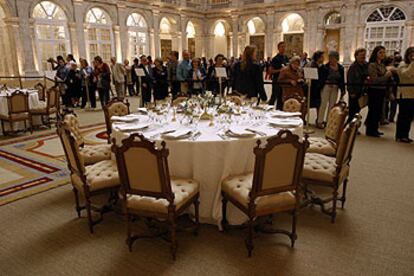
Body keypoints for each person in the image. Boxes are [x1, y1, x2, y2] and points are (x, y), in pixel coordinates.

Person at [366, 46, 394, 137]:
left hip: (382, 90)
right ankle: (370, 129)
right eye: (380, 52)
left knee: (379, 110)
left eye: (383, 52)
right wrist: (386, 76)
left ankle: (375, 128)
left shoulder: (382, 65)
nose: (382, 54)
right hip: (374, 90)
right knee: (373, 110)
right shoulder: (372, 65)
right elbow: (374, 80)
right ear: (376, 54)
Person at [317, 51, 345, 128]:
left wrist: (343, 90)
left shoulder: (340, 68)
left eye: (332, 58)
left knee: (332, 105)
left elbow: (342, 79)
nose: (331, 59)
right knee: (323, 104)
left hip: (335, 87)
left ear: (336, 58)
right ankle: (319, 121)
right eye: (330, 58)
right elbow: (321, 78)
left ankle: (329, 121)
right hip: (326, 86)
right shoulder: (324, 67)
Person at [395, 47, 414, 143]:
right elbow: (406, 75)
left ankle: (405, 135)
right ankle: (400, 135)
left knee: (410, 116)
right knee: (403, 115)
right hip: (404, 94)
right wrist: (413, 64)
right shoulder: (403, 65)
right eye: (411, 55)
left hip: (412, 94)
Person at [347, 48, 369, 124]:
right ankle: (349, 126)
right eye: (361, 55)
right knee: (352, 111)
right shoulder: (353, 67)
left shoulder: (366, 65)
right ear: (356, 56)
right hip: (354, 91)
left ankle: (354, 125)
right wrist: (351, 92)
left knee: (358, 110)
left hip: (362, 91)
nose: (363, 57)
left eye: (364, 55)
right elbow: (349, 80)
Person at [269, 41, 289, 109]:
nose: (283, 48)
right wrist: (280, 70)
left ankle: (279, 111)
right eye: (282, 47)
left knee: (281, 98)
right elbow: (271, 71)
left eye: (284, 47)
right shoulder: (275, 59)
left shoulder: (286, 58)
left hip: (283, 81)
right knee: (274, 96)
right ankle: (269, 110)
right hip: (276, 80)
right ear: (278, 48)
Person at [307, 51, 325, 124]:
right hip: (313, 87)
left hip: (317, 87)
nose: (323, 58)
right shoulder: (313, 65)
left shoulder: (320, 65)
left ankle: (318, 119)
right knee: (309, 103)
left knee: (317, 104)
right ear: (318, 58)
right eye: (322, 57)